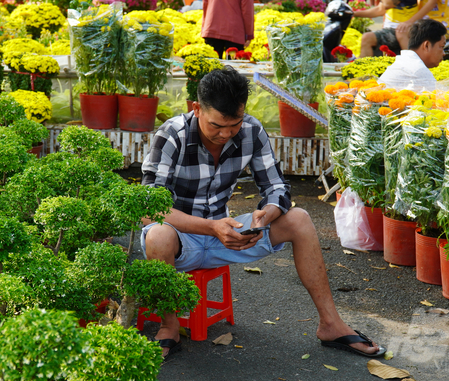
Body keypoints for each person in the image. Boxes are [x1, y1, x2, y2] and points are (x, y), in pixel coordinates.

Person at [140, 67, 386, 360]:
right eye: (217, 125)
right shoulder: (172, 135)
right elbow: (150, 208)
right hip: (182, 236)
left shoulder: (251, 130)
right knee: (157, 234)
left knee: (300, 219)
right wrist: (211, 227)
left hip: (227, 235)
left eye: (234, 124)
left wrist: (265, 215)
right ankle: (169, 326)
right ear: (196, 109)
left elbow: (277, 187)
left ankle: (331, 324)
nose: (226, 133)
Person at [378, 19, 447, 91]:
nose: (443, 53)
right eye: (441, 47)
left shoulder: (406, 61)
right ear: (427, 45)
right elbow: (439, 97)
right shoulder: (418, 69)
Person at [355, 0, 437, 57]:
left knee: (401, 33)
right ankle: (364, 74)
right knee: (366, 38)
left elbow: (388, 3)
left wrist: (409, 22)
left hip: (407, 28)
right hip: (390, 29)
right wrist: (354, 13)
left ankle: (415, 66)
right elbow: (380, 10)